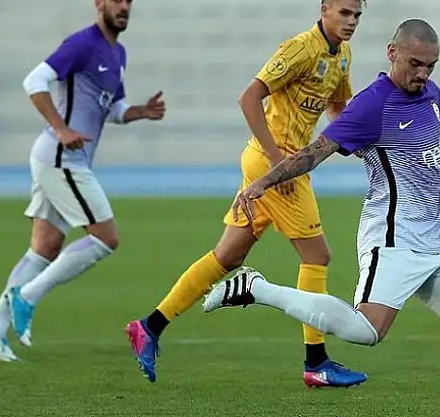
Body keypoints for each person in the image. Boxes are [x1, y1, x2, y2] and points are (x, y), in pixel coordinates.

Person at [202, 18, 440, 391]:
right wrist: (263, 182)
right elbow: (315, 151)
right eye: (415, 64)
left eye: (430, 66)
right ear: (392, 53)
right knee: (367, 331)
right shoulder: (372, 104)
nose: (422, 74)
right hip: (393, 240)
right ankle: (258, 288)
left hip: (434, 245)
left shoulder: (426, 92)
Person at [125, 0, 368, 387]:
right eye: (344, 12)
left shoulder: (342, 55)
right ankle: (316, 362)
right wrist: (277, 162)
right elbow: (249, 98)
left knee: (228, 256)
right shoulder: (300, 49)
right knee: (317, 256)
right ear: (324, 8)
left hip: (277, 164)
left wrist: (355, 139)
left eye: (357, 15)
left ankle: (149, 326)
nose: (351, 21)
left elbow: (337, 107)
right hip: (277, 165)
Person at [0, 0, 165, 362]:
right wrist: (61, 128)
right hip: (60, 157)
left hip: (63, 159)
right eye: (117, 0)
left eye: (129, 1)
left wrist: (141, 112)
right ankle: (27, 297)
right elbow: (34, 81)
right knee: (106, 237)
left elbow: (113, 108)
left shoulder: (118, 53)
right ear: (99, 3)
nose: (124, 6)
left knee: (45, 248)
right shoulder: (82, 44)